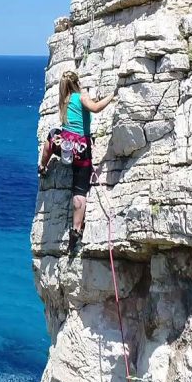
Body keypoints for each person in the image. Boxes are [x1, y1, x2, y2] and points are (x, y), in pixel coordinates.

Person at [38, 71, 115, 252]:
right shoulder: (80, 98)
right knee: (79, 189)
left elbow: (51, 142)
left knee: (50, 139)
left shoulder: (64, 101)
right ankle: (75, 231)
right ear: (77, 83)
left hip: (65, 146)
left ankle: (42, 166)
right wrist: (113, 95)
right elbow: (94, 108)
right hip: (81, 151)